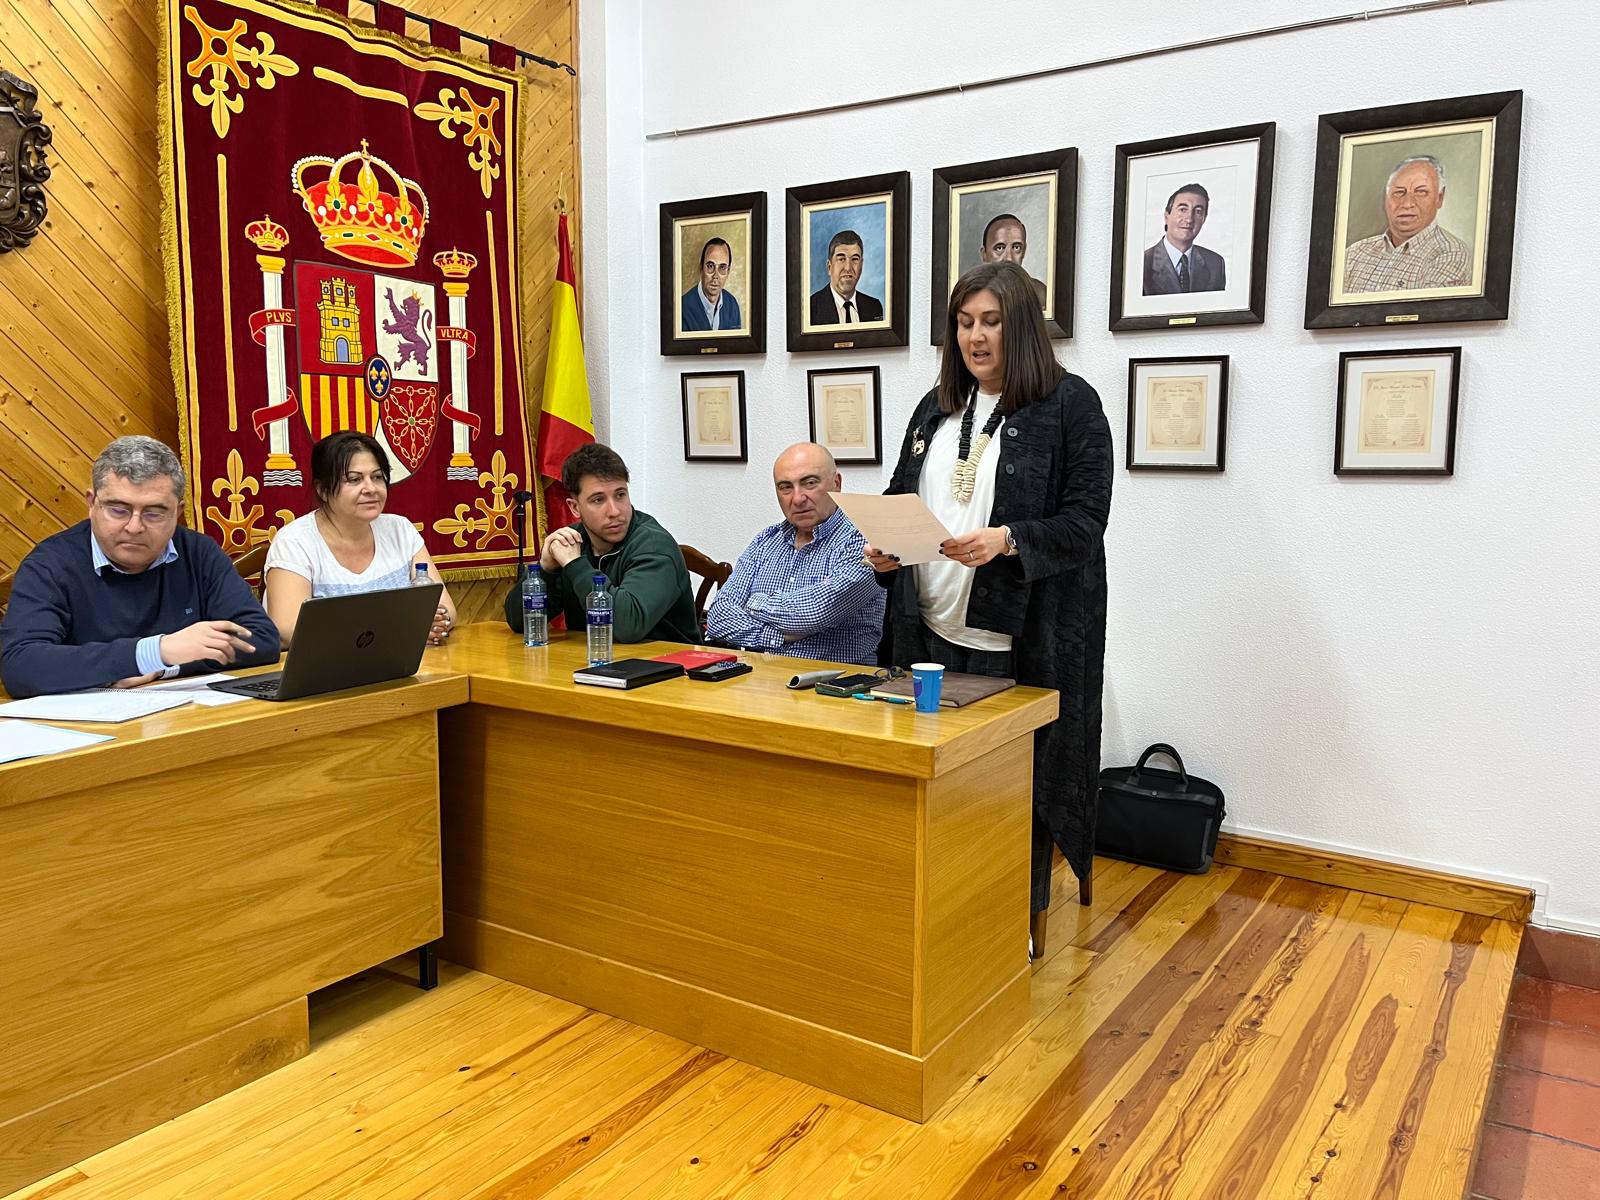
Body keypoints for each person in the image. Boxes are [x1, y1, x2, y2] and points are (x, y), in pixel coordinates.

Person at [865, 261, 1112, 957]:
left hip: (1023, 634)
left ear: (1022, 327)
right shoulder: (935, 408)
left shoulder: (1072, 405)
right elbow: (898, 497)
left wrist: (1009, 540)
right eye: (964, 323)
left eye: (991, 322)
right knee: (944, 781)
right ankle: (948, 911)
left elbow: (1087, 521)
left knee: (1015, 787)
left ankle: (1017, 921)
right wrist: (884, 548)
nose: (975, 337)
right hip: (930, 625)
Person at [0, 435, 280, 698]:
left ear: (177, 513)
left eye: (154, 513)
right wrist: (150, 652)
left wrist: (165, 665)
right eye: (118, 510)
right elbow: (20, 665)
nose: (134, 527)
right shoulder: (50, 564)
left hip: (186, 721)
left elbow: (261, 639)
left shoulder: (199, 552)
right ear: (91, 504)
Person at [263, 431, 455, 645]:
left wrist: (437, 624)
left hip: (403, 665)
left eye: (377, 477)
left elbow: (446, 609)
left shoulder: (400, 529)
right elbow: (289, 629)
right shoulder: (294, 542)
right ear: (323, 490)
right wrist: (399, 628)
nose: (371, 488)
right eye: (354, 480)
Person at [705, 442, 885, 664]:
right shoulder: (766, 541)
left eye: (809, 483)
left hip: (833, 685)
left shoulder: (866, 540)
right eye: (785, 487)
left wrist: (754, 602)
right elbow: (717, 618)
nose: (798, 498)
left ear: (836, 484)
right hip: (757, 680)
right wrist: (778, 635)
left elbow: (815, 612)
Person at [501, 443, 699, 644]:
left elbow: (627, 626)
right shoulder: (572, 542)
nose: (614, 511)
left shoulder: (655, 545)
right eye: (598, 500)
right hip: (594, 661)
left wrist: (574, 566)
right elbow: (519, 623)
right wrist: (545, 569)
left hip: (669, 667)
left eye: (620, 495)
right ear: (575, 508)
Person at [1343, 154, 1472, 293]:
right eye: (1398, 192)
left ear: (1439, 198)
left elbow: (1427, 312)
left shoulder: (1451, 254)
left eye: (1421, 192)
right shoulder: (1355, 253)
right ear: (1386, 199)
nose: (1407, 203)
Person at [1142, 183, 1226, 295]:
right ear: (1167, 216)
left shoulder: (1215, 264)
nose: (1189, 219)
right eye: (1182, 210)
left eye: (1198, 212)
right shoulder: (1143, 264)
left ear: (1204, 219)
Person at [808, 229, 884, 326]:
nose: (848, 268)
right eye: (841, 259)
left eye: (855, 259)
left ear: (861, 265)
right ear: (829, 267)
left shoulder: (874, 307)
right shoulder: (810, 309)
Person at [978, 213, 1048, 308]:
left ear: (1024, 251)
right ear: (984, 255)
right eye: (999, 248)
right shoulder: (972, 297)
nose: (1009, 258)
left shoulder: (1040, 294)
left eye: (1016, 247)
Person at [679, 237, 743, 333]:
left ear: (728, 272)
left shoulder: (732, 305)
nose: (715, 276)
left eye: (722, 267)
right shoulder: (681, 308)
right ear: (701, 269)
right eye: (710, 266)